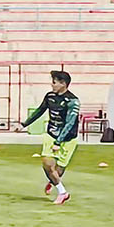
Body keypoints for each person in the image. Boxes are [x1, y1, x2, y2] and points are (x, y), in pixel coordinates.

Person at [15, 71, 80, 205]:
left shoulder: (73, 101)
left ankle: (53, 181)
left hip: (68, 139)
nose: (52, 84)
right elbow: (39, 111)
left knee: (58, 171)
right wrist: (24, 124)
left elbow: (69, 123)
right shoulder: (50, 96)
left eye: (54, 82)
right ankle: (63, 192)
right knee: (47, 164)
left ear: (63, 84)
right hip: (51, 135)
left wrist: (59, 142)